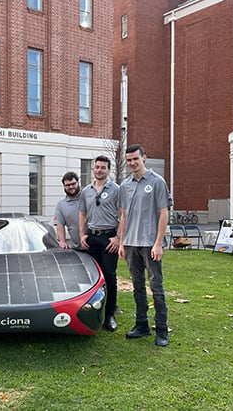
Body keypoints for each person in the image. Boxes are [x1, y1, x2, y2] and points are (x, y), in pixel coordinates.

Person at [118, 144, 171, 347]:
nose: (132, 163)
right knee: (137, 286)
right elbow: (123, 216)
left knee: (156, 286)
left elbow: (163, 213)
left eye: (135, 159)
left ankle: (162, 330)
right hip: (131, 244)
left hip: (150, 244)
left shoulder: (157, 182)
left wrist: (158, 243)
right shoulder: (125, 186)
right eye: (129, 160)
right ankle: (142, 325)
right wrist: (122, 242)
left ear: (144, 158)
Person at [78, 155, 120, 331]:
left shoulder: (116, 190)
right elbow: (82, 213)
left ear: (108, 170)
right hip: (92, 237)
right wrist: (82, 234)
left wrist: (118, 237)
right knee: (92, 276)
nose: (99, 170)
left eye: (103, 167)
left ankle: (109, 315)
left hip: (109, 237)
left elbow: (124, 214)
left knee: (109, 275)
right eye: (97, 167)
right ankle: (93, 310)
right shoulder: (86, 191)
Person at [55, 171, 82, 249]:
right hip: (75, 247)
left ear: (78, 183)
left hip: (94, 245)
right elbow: (60, 225)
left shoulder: (87, 198)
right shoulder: (61, 205)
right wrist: (62, 241)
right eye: (67, 185)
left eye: (73, 184)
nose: (71, 187)